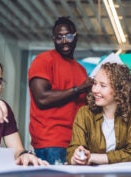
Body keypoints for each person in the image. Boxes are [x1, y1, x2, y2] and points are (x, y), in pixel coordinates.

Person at [28, 17, 93, 165]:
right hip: (51, 141)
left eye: (68, 36)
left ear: (76, 37)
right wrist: (78, 89)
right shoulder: (43, 60)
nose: (64, 41)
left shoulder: (81, 69)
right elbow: (42, 99)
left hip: (76, 142)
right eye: (59, 37)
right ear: (53, 39)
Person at [67, 62, 131, 165]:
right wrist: (76, 156)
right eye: (94, 83)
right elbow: (74, 148)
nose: (94, 90)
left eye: (103, 85)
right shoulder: (84, 113)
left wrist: (92, 157)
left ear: (119, 89)